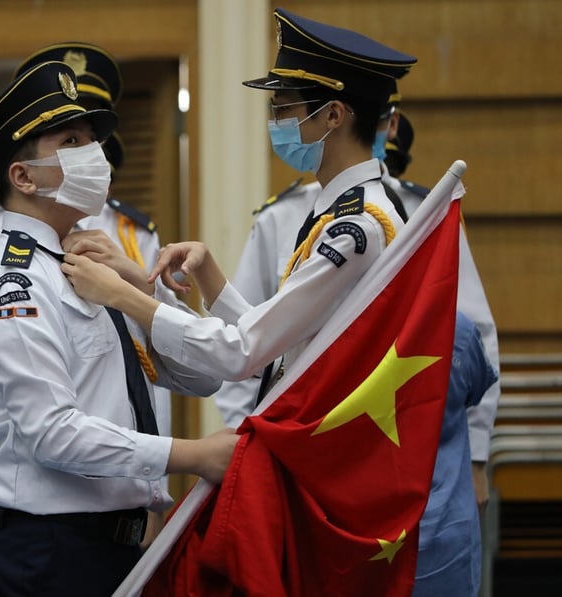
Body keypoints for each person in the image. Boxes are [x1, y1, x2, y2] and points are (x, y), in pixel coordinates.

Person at [0, 60, 237, 596]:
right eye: (73, 141)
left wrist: (141, 291)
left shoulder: (89, 261)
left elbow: (203, 378)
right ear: (23, 176)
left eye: (94, 140)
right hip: (49, 555)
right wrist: (191, 456)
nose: (97, 156)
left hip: (116, 547)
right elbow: (52, 431)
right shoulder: (14, 282)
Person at [63, 8, 415, 421]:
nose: (275, 123)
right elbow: (272, 339)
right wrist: (208, 281)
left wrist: (120, 295)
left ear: (333, 115)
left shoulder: (357, 228)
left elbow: (245, 353)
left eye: (285, 109)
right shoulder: (342, 211)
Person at [214, 97, 502, 512]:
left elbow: (469, 335)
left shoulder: (428, 212)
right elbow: (249, 337)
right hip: (304, 446)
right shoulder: (281, 218)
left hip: (415, 437)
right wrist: (247, 441)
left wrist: (476, 453)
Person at [414, 311, 497, 596]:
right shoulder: (458, 330)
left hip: (364, 538)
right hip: (445, 535)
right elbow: (475, 389)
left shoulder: (343, 328)